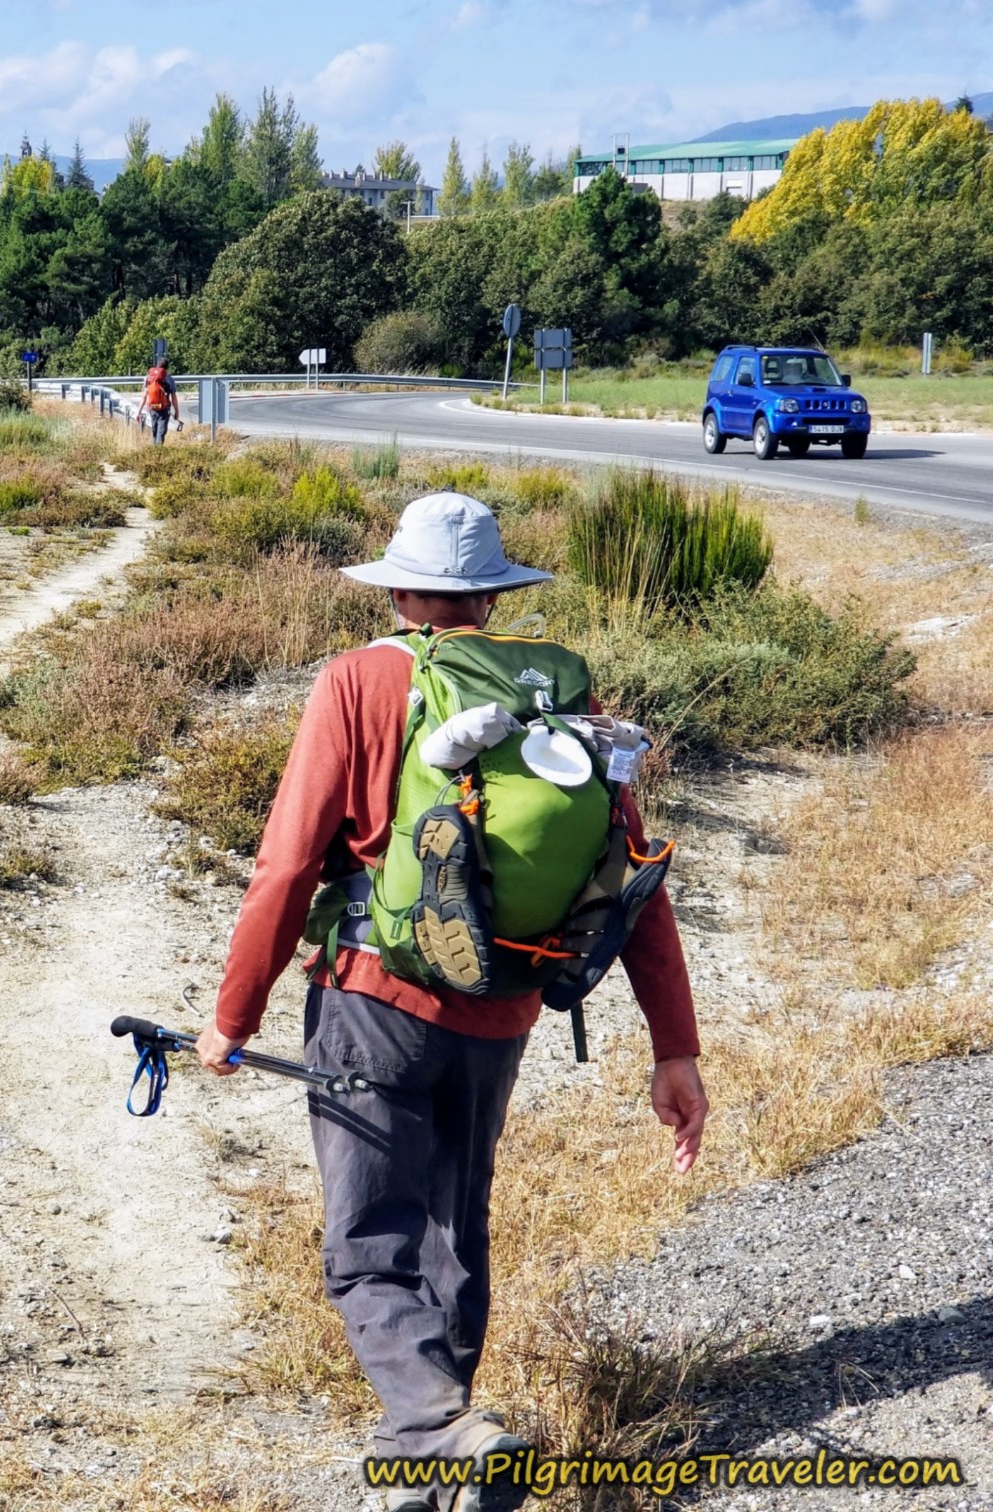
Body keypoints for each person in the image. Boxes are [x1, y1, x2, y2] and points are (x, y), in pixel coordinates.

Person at [195, 492, 708, 1512]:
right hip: (504, 1003)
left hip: (372, 999)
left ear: (395, 588)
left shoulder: (353, 681)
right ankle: (436, 1465)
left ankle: (435, 1425)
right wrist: (674, 1048)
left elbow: (287, 863)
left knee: (369, 1246)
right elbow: (631, 874)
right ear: (493, 596)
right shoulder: (555, 699)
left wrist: (233, 1016)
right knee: (452, 1226)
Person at [144, 360, 177, 443]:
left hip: (152, 408)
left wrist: (140, 410)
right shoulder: (169, 379)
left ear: (157, 365)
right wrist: (176, 411)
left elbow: (145, 395)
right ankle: (158, 452)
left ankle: (152, 451)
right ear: (167, 368)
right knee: (161, 432)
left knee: (154, 431)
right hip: (164, 409)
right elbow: (173, 397)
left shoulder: (149, 378)